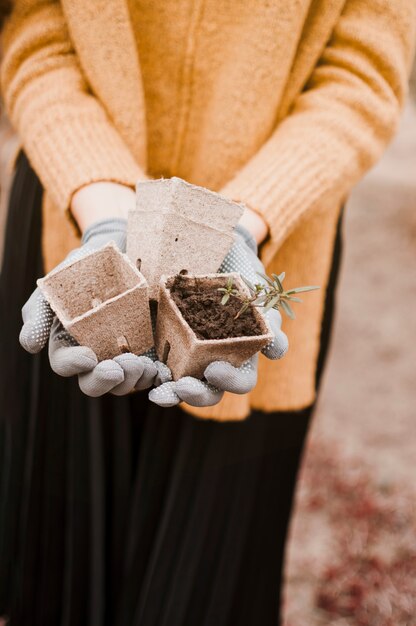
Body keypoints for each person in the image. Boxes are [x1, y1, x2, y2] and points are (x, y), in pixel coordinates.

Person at [0, 1, 414, 624]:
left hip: (267, 235)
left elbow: (362, 70)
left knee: (206, 586)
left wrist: (239, 227)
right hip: (77, 212)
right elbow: (34, 31)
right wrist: (106, 209)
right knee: (58, 576)